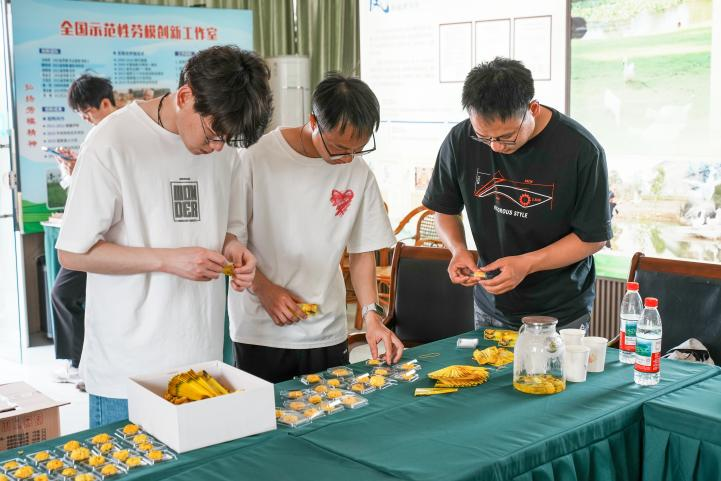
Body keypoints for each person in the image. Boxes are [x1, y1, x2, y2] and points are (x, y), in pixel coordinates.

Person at [56, 46, 273, 427]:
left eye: (227, 139)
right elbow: (73, 254)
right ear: (186, 96)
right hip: (128, 371)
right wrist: (168, 259)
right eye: (214, 135)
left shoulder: (223, 151)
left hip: (203, 360)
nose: (218, 147)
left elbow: (227, 227)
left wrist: (234, 249)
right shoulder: (113, 141)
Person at [228, 72, 404, 383]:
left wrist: (371, 315)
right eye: (339, 147)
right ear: (313, 122)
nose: (347, 158)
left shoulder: (358, 171)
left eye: (358, 149)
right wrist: (264, 289)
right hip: (261, 330)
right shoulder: (257, 157)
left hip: (327, 331)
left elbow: (362, 252)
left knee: (333, 409)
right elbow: (230, 242)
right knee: (266, 414)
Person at [423, 58, 612, 331]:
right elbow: (444, 210)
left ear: (532, 108)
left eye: (506, 136)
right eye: (484, 137)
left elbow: (592, 238)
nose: (495, 147)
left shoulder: (581, 150)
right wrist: (458, 250)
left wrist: (527, 264)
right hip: (489, 306)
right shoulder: (460, 139)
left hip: (559, 311)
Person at [50, 74, 117, 388]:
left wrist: (76, 173)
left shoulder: (111, 135)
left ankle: (79, 364)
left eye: (87, 112)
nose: (86, 119)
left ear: (104, 103)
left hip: (99, 240)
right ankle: (81, 363)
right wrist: (74, 172)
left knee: (63, 293)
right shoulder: (100, 135)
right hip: (94, 236)